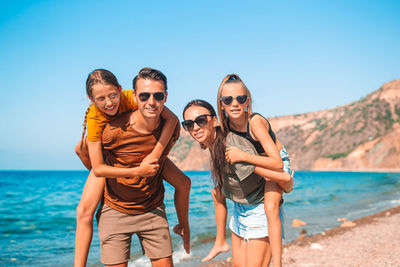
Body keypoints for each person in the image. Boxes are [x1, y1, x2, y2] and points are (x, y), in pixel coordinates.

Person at [74, 69, 190, 267]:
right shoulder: (94, 118)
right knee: (84, 211)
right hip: (104, 158)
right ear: (91, 99)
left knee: (184, 182)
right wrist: (138, 171)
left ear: (121, 90)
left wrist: (154, 156)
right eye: (101, 99)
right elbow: (98, 167)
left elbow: (171, 119)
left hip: (142, 158)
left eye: (113, 95)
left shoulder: (135, 97)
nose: (109, 103)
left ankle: (183, 228)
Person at [182, 99, 292, 267]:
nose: (195, 127)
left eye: (201, 120)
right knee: (216, 192)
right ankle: (220, 241)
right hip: (240, 208)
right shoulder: (212, 143)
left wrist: (284, 179)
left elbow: (260, 168)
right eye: (189, 124)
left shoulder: (230, 146)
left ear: (214, 120)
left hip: (259, 208)